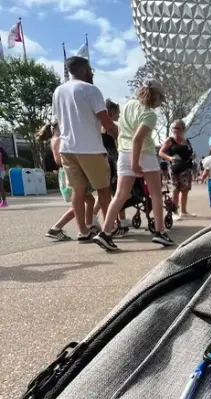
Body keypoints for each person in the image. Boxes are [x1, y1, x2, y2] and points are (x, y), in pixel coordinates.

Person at [93, 80, 174, 252]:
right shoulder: (150, 115)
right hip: (143, 153)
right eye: (161, 98)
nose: (161, 102)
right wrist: (135, 163)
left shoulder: (129, 105)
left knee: (120, 195)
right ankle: (159, 232)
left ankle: (105, 232)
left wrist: (126, 155)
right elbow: (138, 139)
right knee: (156, 194)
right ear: (155, 96)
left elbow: (122, 132)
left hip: (123, 152)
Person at [51, 56, 117, 239]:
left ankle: (82, 231)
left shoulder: (58, 91)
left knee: (78, 191)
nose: (91, 72)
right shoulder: (91, 90)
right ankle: (108, 230)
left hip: (67, 148)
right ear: (84, 69)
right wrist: (120, 136)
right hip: (90, 148)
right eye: (89, 69)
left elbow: (55, 122)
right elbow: (105, 121)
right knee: (103, 190)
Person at [44, 127, 97, 241]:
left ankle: (88, 226)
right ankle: (57, 227)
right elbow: (60, 159)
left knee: (88, 200)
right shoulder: (59, 139)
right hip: (70, 172)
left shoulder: (56, 138)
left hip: (68, 171)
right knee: (80, 202)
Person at [102, 99, 130, 234]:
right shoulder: (111, 127)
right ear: (112, 112)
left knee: (111, 194)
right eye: (118, 113)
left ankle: (121, 220)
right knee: (117, 193)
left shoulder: (100, 127)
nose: (119, 116)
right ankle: (117, 222)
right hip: (112, 162)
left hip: (108, 161)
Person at [159, 120, 195, 217]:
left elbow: (190, 152)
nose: (175, 130)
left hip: (186, 169)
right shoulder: (170, 140)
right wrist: (169, 158)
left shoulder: (186, 141)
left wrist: (193, 155)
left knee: (185, 190)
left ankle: (183, 211)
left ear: (183, 129)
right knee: (176, 190)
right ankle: (174, 212)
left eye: (178, 128)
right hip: (176, 169)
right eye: (174, 128)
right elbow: (161, 152)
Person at [0, 143, 9, 208]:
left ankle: (3, 201)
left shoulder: (1, 150)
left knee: (0, 186)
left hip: (1, 169)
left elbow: (5, 159)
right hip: (2, 169)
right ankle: (2, 201)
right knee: (0, 186)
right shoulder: (2, 150)